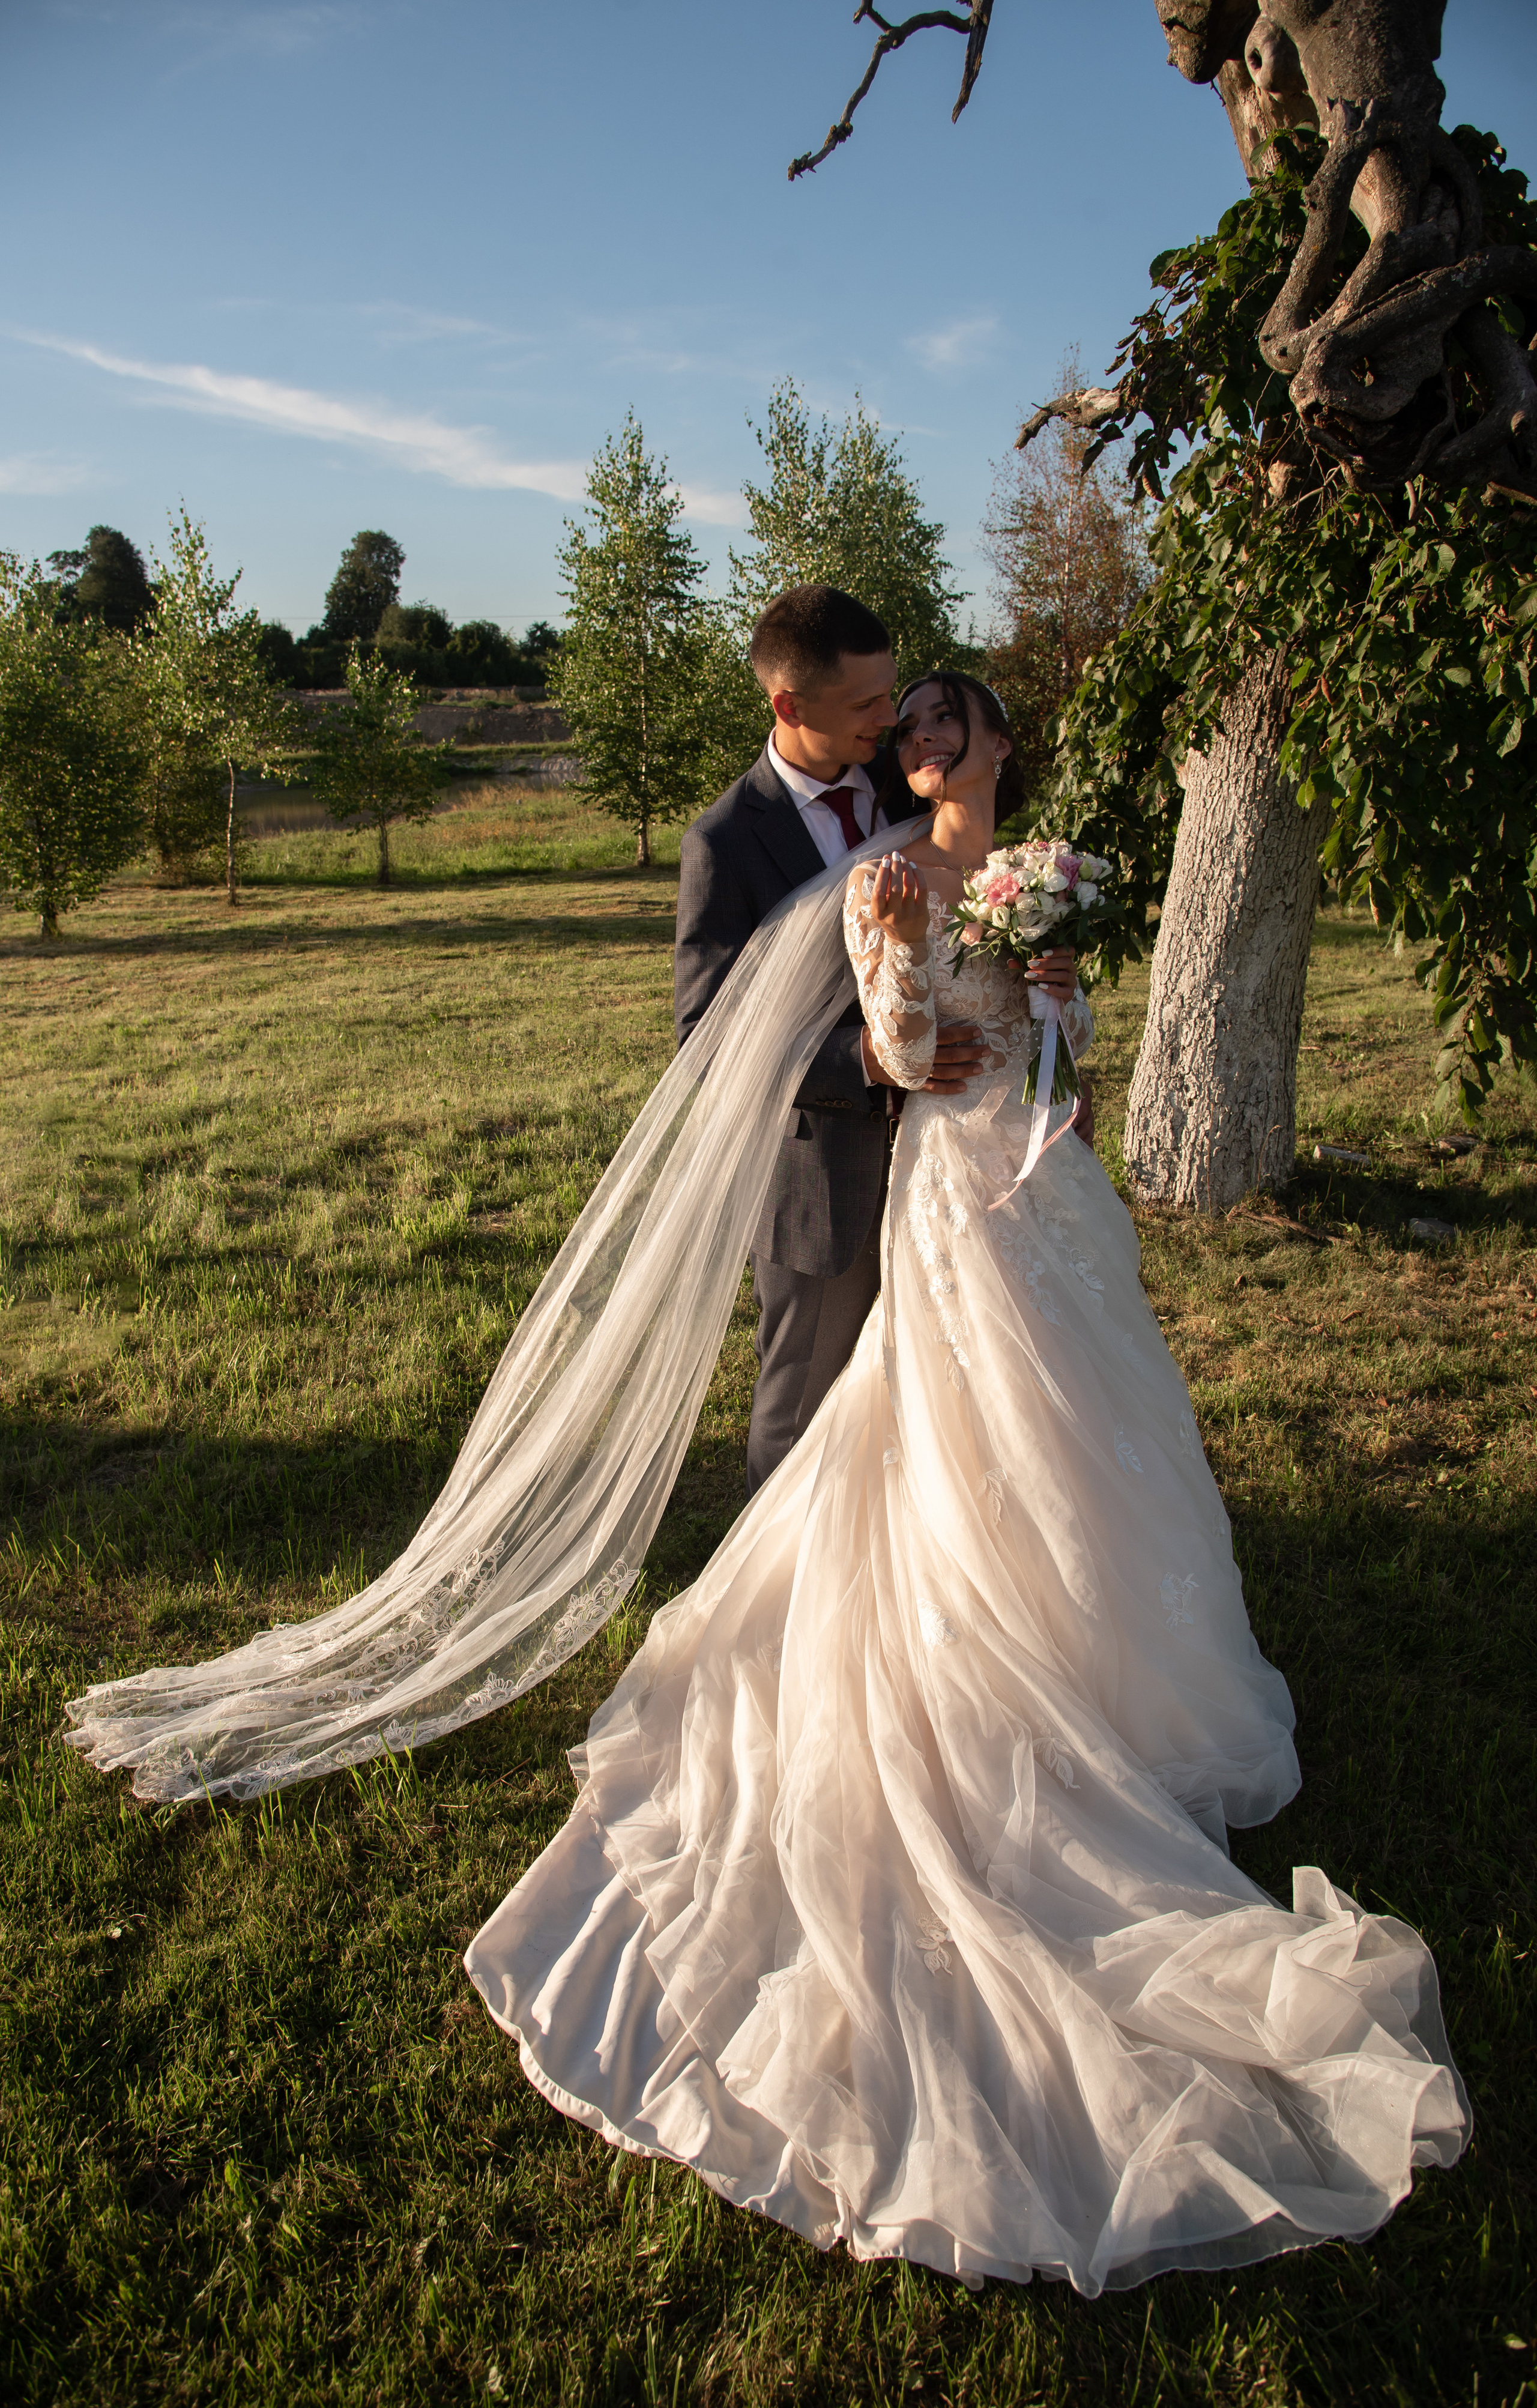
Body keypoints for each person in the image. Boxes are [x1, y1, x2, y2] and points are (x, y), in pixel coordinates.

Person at [464, 670, 1467, 2296]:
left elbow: (1071, 1043)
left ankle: (1105, 1683)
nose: (928, 746)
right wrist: (985, 1009)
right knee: (959, 1435)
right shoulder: (888, 880)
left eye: (951, 725)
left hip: (1055, 1188)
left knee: (1086, 1439)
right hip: (955, 1192)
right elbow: (909, 1044)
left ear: (996, 744)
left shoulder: (1052, 862)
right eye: (909, 728)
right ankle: (971, 1661)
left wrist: (1054, 1008)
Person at [674, 584, 1078, 1493]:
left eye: (891, 697)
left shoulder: (911, 777)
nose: (891, 720)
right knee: (808, 1409)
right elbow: (707, 1041)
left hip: (962, 1166)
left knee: (948, 1400)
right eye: (865, 705)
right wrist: (868, 1060)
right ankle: (783, 1610)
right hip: (829, 1170)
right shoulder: (726, 843)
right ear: (789, 706)